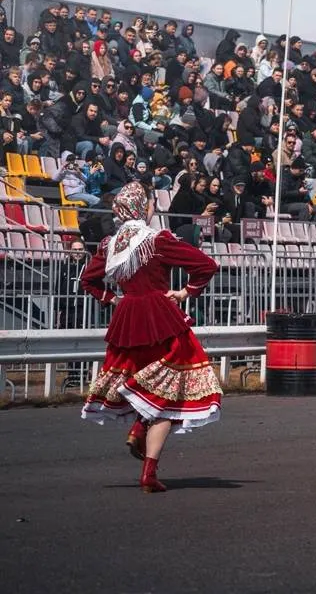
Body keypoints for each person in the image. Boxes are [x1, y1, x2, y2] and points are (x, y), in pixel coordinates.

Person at [79, 182, 223, 493]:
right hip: (160, 316)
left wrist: (112, 298)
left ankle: (137, 424)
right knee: (170, 393)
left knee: (153, 385)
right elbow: (206, 265)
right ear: (142, 208)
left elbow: (87, 280)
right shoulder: (157, 240)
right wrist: (185, 292)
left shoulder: (110, 244)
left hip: (128, 318)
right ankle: (148, 469)